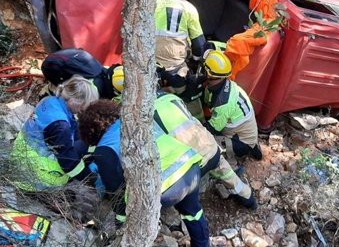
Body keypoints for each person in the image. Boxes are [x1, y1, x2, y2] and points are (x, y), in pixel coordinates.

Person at [78, 100, 210, 247]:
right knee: (193, 212)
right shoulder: (135, 119)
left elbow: (117, 194)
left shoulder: (104, 150)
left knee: (131, 200)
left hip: (166, 187)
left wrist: (121, 223)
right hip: (190, 166)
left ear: (91, 134)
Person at [110, 66, 257, 209]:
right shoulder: (170, 97)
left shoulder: (136, 115)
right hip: (211, 149)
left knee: (189, 201)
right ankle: (248, 198)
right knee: (228, 175)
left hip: (191, 162)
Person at [11, 74, 99, 191]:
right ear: (73, 101)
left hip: (22, 156)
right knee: (71, 188)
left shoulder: (49, 101)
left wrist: (95, 148)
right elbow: (68, 161)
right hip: (39, 174)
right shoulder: (60, 126)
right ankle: (45, 193)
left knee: (82, 146)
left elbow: (73, 129)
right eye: (84, 105)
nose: (85, 109)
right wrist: (89, 178)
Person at [155, 0, 206, 99]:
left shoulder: (148, 3)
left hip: (149, 69)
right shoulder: (189, 8)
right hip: (176, 72)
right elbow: (199, 45)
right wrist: (195, 61)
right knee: (186, 99)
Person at [202, 50, 263, 160]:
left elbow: (212, 129)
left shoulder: (223, 103)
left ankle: (233, 165)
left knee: (206, 143)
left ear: (209, 74)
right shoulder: (224, 85)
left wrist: (194, 127)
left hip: (241, 142)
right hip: (244, 134)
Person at [41, 48, 117, 100]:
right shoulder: (96, 86)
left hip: (61, 59)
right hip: (53, 67)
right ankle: (50, 94)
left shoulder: (105, 71)